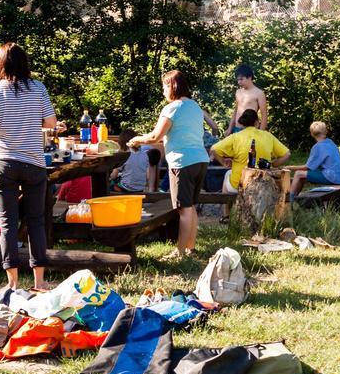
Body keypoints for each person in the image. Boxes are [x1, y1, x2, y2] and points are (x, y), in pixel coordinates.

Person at [0, 42, 58, 291]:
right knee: (36, 221)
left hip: (4, 163)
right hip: (33, 162)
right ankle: (39, 282)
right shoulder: (38, 88)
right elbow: (51, 122)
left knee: (7, 222)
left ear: (0, 64)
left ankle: (12, 284)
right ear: (25, 64)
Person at [130, 70, 209, 259]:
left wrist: (136, 140)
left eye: (165, 86)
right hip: (200, 160)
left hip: (182, 162)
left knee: (183, 209)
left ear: (172, 86)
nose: (163, 91)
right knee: (191, 206)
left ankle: (180, 252)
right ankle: (190, 248)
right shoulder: (195, 106)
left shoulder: (173, 108)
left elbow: (156, 136)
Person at [211, 109, 290, 193]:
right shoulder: (268, 136)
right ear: (256, 122)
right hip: (263, 184)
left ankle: (226, 205)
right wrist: (273, 164)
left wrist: (223, 162)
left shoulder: (235, 137)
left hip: (240, 185)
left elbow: (213, 149)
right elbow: (287, 154)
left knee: (228, 174)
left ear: (243, 123)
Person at [288, 121, 340, 200]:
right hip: (339, 177)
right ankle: (297, 199)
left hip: (331, 177)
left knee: (298, 174)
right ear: (325, 131)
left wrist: (289, 168)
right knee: (303, 176)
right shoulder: (330, 142)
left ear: (312, 134)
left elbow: (307, 167)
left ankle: (290, 200)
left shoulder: (318, 147)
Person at [111, 128, 161, 193]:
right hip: (140, 189)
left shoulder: (124, 156)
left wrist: (109, 177)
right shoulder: (145, 155)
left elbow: (114, 175)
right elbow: (148, 175)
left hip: (126, 188)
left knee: (110, 186)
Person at [229, 64, 268, 133]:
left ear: (249, 77)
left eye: (241, 79)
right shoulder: (238, 92)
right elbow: (236, 111)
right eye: (238, 80)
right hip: (236, 129)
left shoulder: (259, 93)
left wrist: (260, 133)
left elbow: (264, 115)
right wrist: (230, 128)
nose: (239, 82)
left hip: (250, 130)